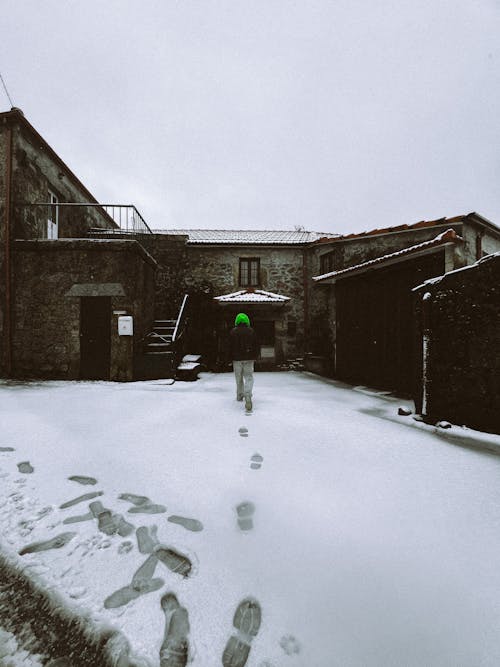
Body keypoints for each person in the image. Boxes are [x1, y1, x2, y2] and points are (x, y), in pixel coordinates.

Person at [229, 313, 259, 411]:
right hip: (249, 358)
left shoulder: (233, 332)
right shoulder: (252, 331)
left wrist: (228, 357)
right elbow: (256, 345)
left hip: (236, 359)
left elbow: (229, 346)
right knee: (249, 377)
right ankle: (248, 395)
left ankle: (239, 394)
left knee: (239, 377)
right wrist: (256, 356)